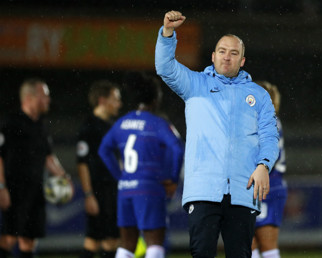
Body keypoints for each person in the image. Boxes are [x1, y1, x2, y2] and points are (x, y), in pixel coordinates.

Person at [155, 11, 280, 258]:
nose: (227, 57)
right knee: (202, 253)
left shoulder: (260, 96)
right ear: (213, 57)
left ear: (242, 61)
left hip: (244, 191)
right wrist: (168, 34)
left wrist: (264, 165)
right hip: (203, 190)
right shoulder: (195, 84)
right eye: (222, 51)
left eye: (234, 53)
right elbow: (165, 67)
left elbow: (269, 137)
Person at [98, 72, 184, 258]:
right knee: (154, 243)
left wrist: (120, 176)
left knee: (127, 244)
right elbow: (177, 148)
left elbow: (103, 150)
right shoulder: (157, 123)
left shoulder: (121, 123)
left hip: (125, 189)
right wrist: (173, 179)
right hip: (149, 188)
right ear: (154, 99)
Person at [0, 78, 68, 258]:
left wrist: (63, 175)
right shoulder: (10, 123)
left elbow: (48, 157)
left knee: (29, 240)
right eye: (44, 95)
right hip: (13, 190)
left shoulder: (41, 126)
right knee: (7, 239)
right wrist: (1, 187)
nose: (48, 100)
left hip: (36, 190)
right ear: (29, 98)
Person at [76, 80, 122, 258]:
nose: (119, 103)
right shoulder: (89, 127)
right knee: (98, 240)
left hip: (112, 190)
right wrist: (88, 195)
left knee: (106, 240)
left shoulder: (112, 126)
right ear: (102, 101)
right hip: (99, 191)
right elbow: (82, 163)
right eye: (116, 99)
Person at [251, 81, 287, 258]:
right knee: (267, 247)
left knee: (252, 244)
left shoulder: (261, 121)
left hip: (264, 185)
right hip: (274, 184)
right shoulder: (273, 120)